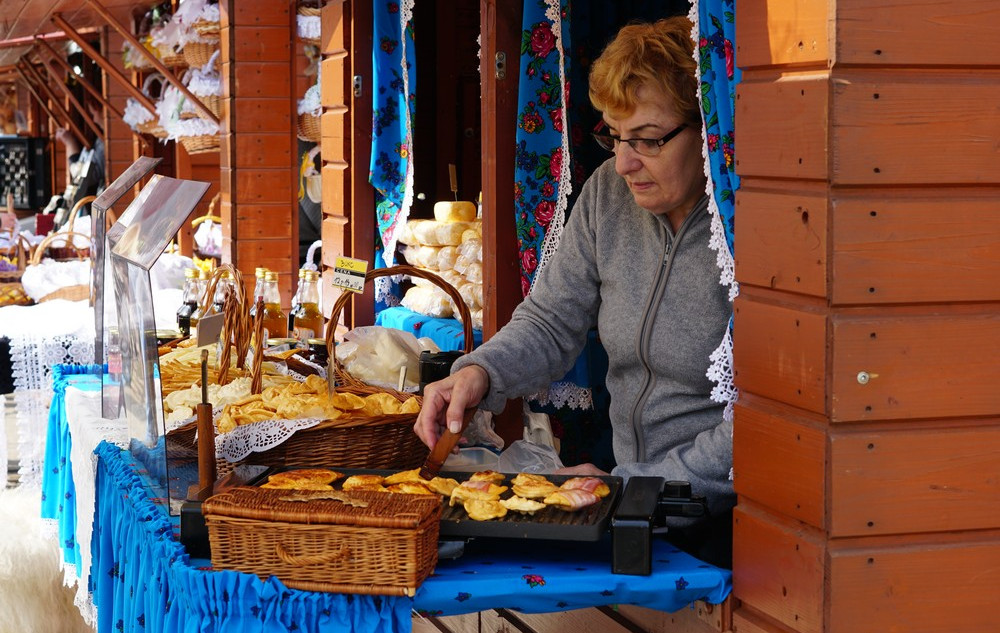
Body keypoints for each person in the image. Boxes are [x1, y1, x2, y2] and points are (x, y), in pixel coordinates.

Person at [414, 17, 734, 566]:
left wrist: (631, 486)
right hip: (634, 504)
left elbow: (758, 423)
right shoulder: (608, 193)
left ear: (707, 131)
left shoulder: (747, 219)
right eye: (613, 134)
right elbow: (550, 320)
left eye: (649, 139)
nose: (625, 162)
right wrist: (478, 372)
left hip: (729, 521)